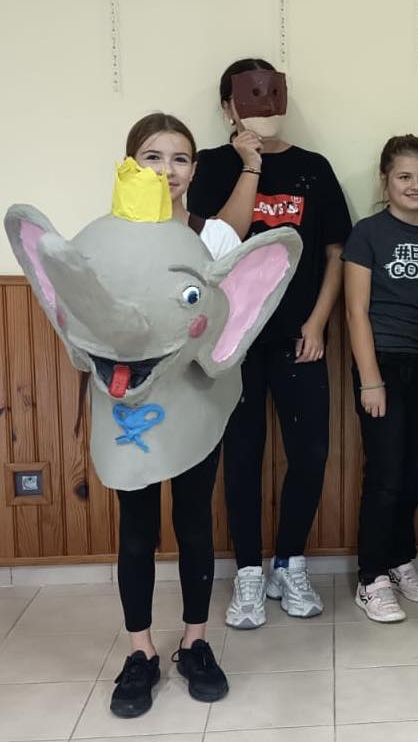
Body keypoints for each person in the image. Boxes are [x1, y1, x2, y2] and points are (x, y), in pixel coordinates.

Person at [187, 58, 352, 630]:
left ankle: (289, 563)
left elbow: (335, 251)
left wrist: (318, 322)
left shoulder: (313, 169)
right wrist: (249, 163)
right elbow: (208, 247)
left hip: (296, 336)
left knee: (311, 452)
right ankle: (249, 573)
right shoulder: (210, 167)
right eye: (248, 95)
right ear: (228, 106)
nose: (263, 104)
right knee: (242, 456)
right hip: (233, 341)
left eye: (272, 93)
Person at [110, 111, 254, 717]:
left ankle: (195, 644)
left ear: (194, 169)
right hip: (132, 409)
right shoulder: (111, 237)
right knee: (136, 528)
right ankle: (140, 652)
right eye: (152, 157)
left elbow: (230, 321)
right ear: (130, 165)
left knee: (195, 522)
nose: (167, 170)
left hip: (195, 400)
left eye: (179, 159)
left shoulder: (214, 238)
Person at [343, 134, 418, 622]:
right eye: (404, 176)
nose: (415, 185)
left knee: (412, 472)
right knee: (385, 475)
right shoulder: (367, 233)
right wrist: (370, 380)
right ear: (385, 181)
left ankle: (399, 560)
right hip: (383, 364)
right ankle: (370, 577)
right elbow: (355, 312)